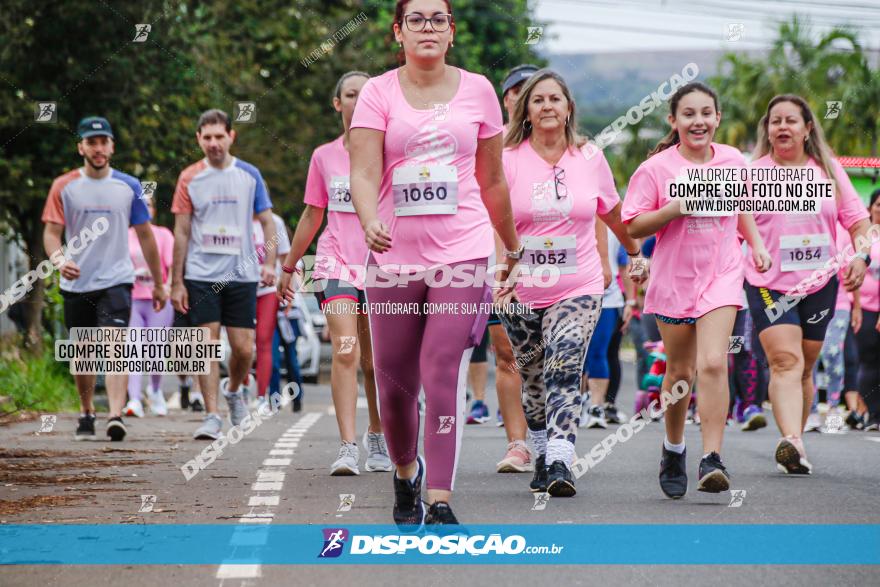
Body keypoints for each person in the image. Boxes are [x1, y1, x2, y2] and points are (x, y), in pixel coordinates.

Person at [348, 0, 521, 526]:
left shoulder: (479, 92)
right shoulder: (377, 92)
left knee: (440, 369)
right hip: (393, 255)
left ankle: (440, 496)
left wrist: (510, 247)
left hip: (461, 252)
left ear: (451, 33)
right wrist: (368, 217)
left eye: (438, 19)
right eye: (416, 20)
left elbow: (492, 181)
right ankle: (406, 473)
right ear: (398, 32)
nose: (428, 27)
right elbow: (361, 171)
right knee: (393, 382)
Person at [498, 68, 646, 497]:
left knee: (564, 364)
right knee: (532, 377)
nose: (547, 106)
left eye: (554, 99)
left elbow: (612, 212)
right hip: (520, 287)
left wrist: (633, 254)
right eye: (538, 99)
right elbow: (494, 220)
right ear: (526, 110)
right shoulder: (508, 160)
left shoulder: (589, 157)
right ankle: (542, 452)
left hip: (577, 285)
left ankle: (562, 458)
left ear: (568, 109)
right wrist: (499, 275)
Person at [622, 82, 772, 497]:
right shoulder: (655, 169)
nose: (698, 121)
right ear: (674, 121)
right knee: (680, 372)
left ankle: (712, 457)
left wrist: (756, 245)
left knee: (712, 363)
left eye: (706, 112)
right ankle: (674, 448)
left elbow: (741, 206)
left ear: (717, 118)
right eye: (688, 114)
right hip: (674, 279)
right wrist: (673, 209)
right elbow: (632, 225)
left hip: (722, 274)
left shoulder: (732, 160)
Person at [744, 94, 872, 472]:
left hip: (820, 284)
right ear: (767, 130)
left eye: (791, 121)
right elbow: (733, 223)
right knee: (785, 360)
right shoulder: (754, 174)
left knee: (805, 365)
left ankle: (794, 446)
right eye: (775, 121)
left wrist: (860, 257)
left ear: (807, 128)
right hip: (769, 282)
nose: (782, 127)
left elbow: (859, 223)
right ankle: (792, 439)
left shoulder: (828, 171)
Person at [279, 71, 393, 476]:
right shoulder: (324, 156)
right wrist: (290, 267)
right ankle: (347, 446)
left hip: (382, 262)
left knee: (376, 360)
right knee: (346, 350)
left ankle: (378, 435)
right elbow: (313, 214)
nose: (359, 100)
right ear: (337, 103)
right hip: (334, 262)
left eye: (367, 94)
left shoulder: (391, 151)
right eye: (351, 94)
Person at [42, 116, 166, 441]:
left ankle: (115, 415)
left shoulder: (130, 186)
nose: (98, 148)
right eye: (91, 142)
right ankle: (86, 412)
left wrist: (160, 282)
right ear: (81, 146)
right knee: (83, 355)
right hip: (77, 283)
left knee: (114, 346)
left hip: (117, 280)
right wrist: (59, 260)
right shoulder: (63, 186)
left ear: (112, 146)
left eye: (103, 142)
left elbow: (147, 236)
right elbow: (52, 234)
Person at [171, 108, 276, 440]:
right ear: (198, 140)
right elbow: (182, 231)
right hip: (202, 274)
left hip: (241, 274)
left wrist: (270, 263)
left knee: (244, 350)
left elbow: (268, 222)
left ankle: (233, 391)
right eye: (207, 137)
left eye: (219, 136)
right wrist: (177, 282)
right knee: (206, 345)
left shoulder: (249, 175)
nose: (214, 143)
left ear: (232, 136)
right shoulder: (189, 177)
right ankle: (212, 415)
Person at [125, 196, 174, 417]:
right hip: (132, 298)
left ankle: (155, 391)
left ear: (153, 210)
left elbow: (172, 267)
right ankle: (134, 399)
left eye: (149, 205)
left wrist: (169, 287)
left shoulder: (163, 235)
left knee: (155, 352)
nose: (145, 209)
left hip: (158, 300)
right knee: (133, 349)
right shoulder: (124, 236)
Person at [582, 226, 634, 428]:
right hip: (575, 298)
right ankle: (578, 403)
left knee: (598, 352)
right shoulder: (572, 217)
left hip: (609, 300)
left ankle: (597, 406)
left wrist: (630, 301)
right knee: (576, 354)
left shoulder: (614, 227)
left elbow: (625, 266)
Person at [251, 211, 290, 410]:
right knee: (241, 343)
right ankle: (240, 390)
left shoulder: (276, 222)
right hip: (241, 287)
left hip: (268, 289)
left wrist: (289, 291)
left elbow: (286, 260)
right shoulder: (236, 214)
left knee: (263, 341)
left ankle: (260, 397)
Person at [855, 189, 880, 430]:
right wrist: (857, 308)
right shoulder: (863, 237)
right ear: (870, 208)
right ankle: (872, 415)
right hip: (865, 309)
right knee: (868, 361)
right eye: (878, 205)